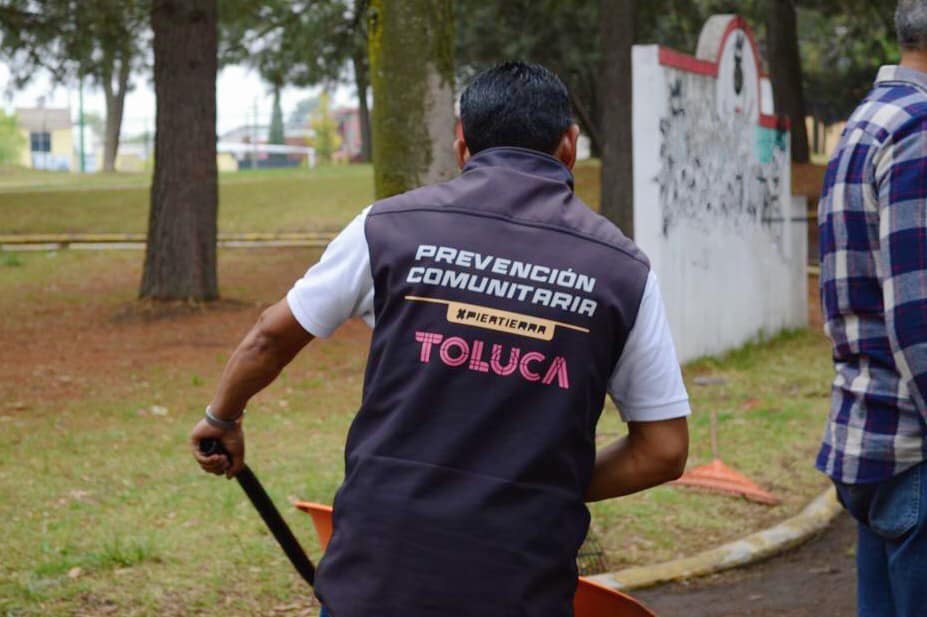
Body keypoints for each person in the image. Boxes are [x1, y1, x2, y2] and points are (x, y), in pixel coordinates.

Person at [191, 61, 690, 617]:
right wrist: (533, 485)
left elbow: (269, 338)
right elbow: (663, 451)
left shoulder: (386, 229)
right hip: (519, 585)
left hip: (376, 578)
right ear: (569, 145)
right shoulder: (623, 270)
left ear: (461, 146)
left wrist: (222, 418)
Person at [818, 2, 927, 615]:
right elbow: (920, 319)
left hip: (872, 440)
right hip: (916, 454)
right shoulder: (920, 128)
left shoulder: (869, 121)